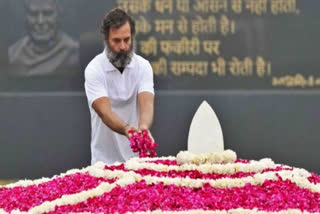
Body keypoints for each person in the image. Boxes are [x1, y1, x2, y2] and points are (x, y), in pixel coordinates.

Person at [84, 8, 155, 165]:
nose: (123, 46)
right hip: (103, 163)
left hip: (138, 162)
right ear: (106, 39)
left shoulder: (143, 66)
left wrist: (143, 128)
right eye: (116, 41)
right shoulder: (94, 69)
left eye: (127, 40)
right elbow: (104, 112)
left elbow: (147, 103)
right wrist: (126, 129)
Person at [8, 0, 79, 77]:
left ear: (59, 14)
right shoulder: (13, 53)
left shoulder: (74, 52)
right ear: (25, 16)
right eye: (33, 14)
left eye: (47, 13)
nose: (40, 21)